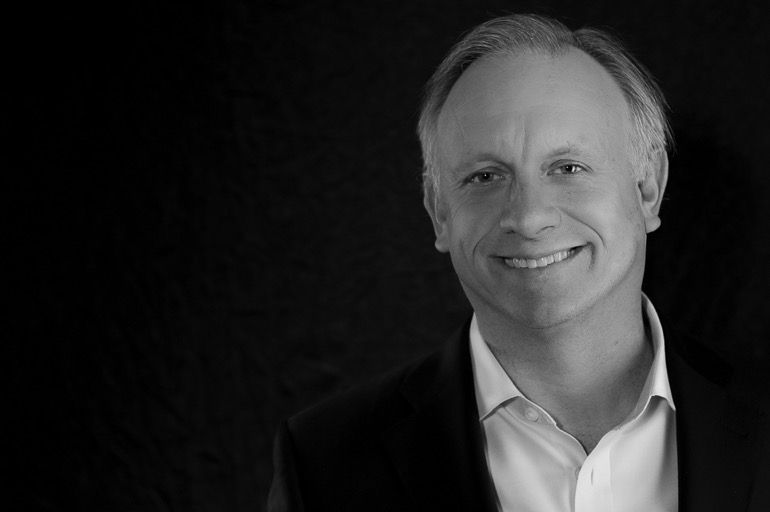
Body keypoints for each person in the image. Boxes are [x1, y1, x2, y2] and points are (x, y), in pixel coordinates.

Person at [268, 14, 768, 512]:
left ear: (647, 188)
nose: (528, 218)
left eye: (568, 168)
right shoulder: (324, 466)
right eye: (485, 177)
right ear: (439, 212)